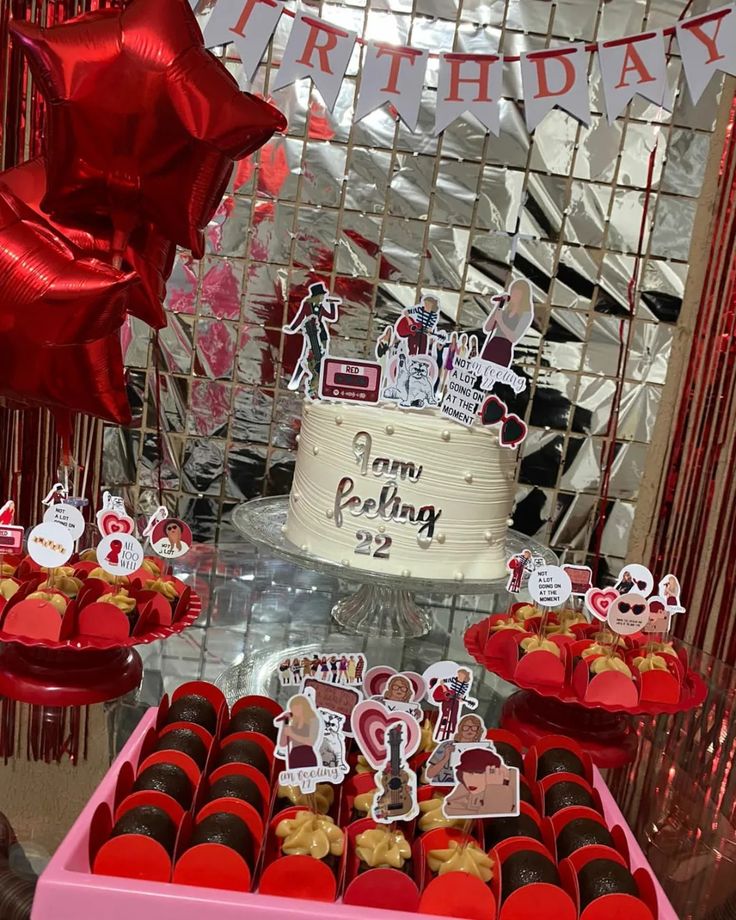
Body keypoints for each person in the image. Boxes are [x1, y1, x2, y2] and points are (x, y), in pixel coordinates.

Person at [284, 282, 340, 393]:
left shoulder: (320, 306)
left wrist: (333, 305)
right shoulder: (307, 305)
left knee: (320, 360)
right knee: (306, 357)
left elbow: (331, 317)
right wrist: (293, 328)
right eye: (322, 295)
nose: (324, 297)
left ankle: (317, 384)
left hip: (322, 335)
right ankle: (296, 380)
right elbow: (300, 317)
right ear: (317, 296)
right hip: (310, 333)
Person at [443, 747, 518, 817]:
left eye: (480, 773)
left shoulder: (515, 790)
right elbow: (450, 809)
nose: (472, 780)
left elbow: (496, 819)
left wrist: (496, 788)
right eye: (469, 773)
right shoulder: (461, 793)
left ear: (494, 773)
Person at [479, 280, 534, 367]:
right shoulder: (506, 310)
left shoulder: (526, 314)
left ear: (523, 296)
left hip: (504, 348)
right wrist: (499, 305)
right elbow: (488, 328)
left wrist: (501, 322)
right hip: (492, 344)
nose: (514, 296)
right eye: (513, 292)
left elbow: (513, 338)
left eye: (517, 293)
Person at [426, 714, 485, 784]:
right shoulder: (446, 746)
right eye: (466, 727)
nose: (470, 730)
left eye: (474, 727)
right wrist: (446, 757)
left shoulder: (482, 749)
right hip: (442, 788)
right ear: (460, 728)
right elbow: (430, 774)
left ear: (478, 730)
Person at [277, 695, 321, 769]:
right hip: (294, 756)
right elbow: (283, 743)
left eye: (297, 706)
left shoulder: (314, 721)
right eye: (293, 707)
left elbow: (311, 742)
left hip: (307, 757)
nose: (294, 709)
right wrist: (285, 723)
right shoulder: (294, 724)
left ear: (304, 707)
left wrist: (292, 734)